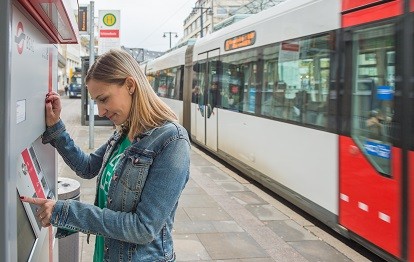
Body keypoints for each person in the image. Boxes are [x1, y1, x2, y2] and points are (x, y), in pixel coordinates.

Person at [20, 49, 191, 261]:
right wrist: (56, 128)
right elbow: (88, 166)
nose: (100, 111)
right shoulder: (125, 131)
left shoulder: (171, 141)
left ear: (130, 85)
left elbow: (143, 228)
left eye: (104, 99)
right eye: (96, 102)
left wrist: (66, 212)